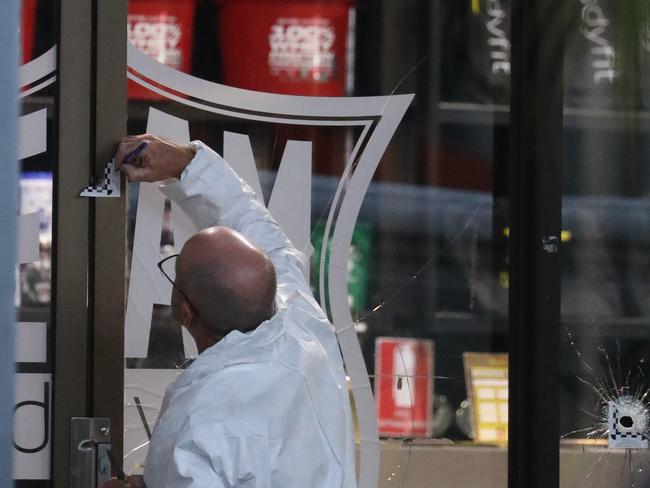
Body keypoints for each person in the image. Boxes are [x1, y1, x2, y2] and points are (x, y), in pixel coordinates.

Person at [104, 134, 356, 487]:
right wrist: (182, 163)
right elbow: (250, 219)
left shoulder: (201, 418)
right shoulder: (303, 323)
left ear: (185, 313)